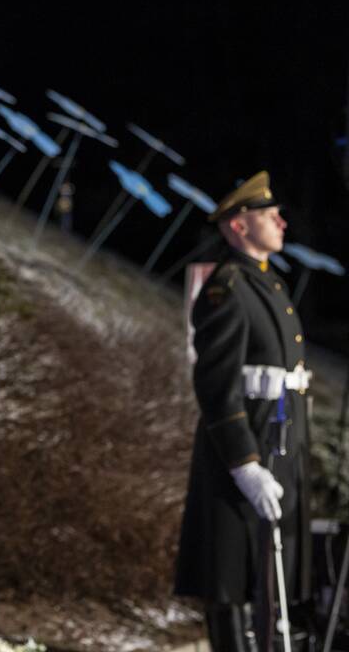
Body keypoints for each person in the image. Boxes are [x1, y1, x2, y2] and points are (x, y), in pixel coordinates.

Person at [174, 171, 312, 652]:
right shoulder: (228, 287)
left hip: (280, 446)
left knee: (273, 573)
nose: (281, 222)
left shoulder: (268, 284)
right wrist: (244, 465)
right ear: (238, 225)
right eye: (268, 214)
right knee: (229, 576)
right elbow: (216, 385)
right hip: (242, 455)